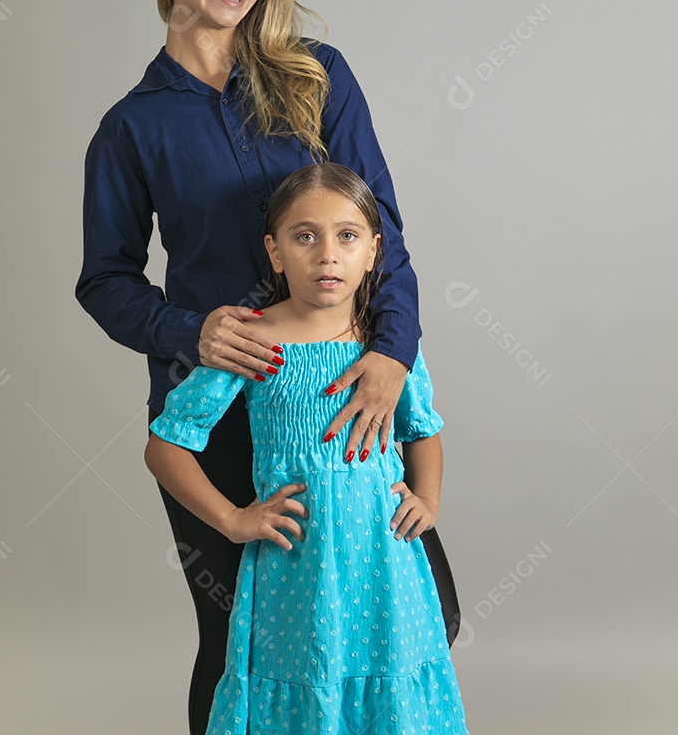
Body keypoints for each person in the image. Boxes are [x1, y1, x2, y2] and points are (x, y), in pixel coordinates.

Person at [76, 0, 460, 734]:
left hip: (341, 399)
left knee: (426, 618)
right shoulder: (133, 126)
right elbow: (104, 279)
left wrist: (391, 357)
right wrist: (190, 331)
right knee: (237, 646)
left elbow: (383, 234)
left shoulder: (319, 79)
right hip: (221, 419)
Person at [146, 163, 469, 734]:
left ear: (374, 251)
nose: (327, 255)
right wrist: (232, 519)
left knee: (392, 685)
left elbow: (424, 428)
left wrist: (429, 499)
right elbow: (165, 446)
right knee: (306, 680)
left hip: (385, 563)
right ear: (274, 252)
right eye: (305, 236)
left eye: (347, 236)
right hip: (297, 570)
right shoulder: (255, 340)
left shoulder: (387, 348)